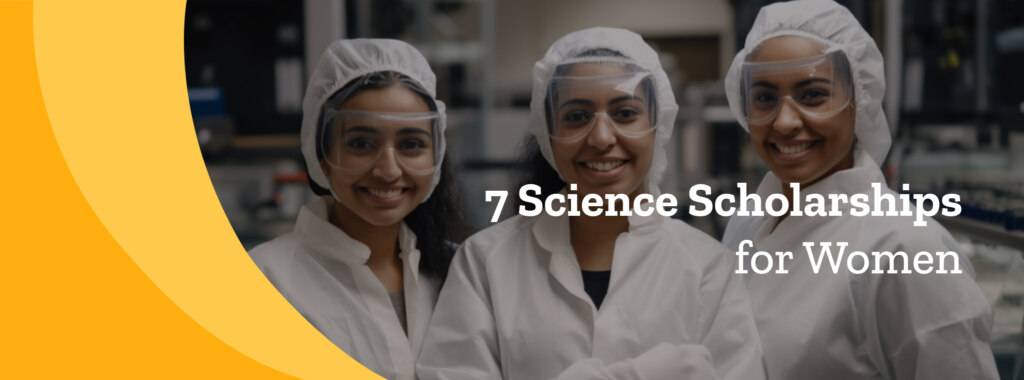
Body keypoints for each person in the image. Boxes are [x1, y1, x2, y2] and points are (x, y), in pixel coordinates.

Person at [417, 27, 765, 380]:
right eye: (577, 117)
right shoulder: (484, 262)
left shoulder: (707, 268)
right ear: (548, 133)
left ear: (657, 126)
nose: (601, 138)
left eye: (625, 113)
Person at [721, 1, 999, 379]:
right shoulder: (749, 222)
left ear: (859, 100)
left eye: (813, 95)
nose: (784, 122)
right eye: (765, 98)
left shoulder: (905, 248)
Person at [248, 39, 469, 380]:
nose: (389, 170)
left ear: (436, 157)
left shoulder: (462, 273)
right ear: (320, 152)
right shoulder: (265, 282)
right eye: (361, 144)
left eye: (411, 144)